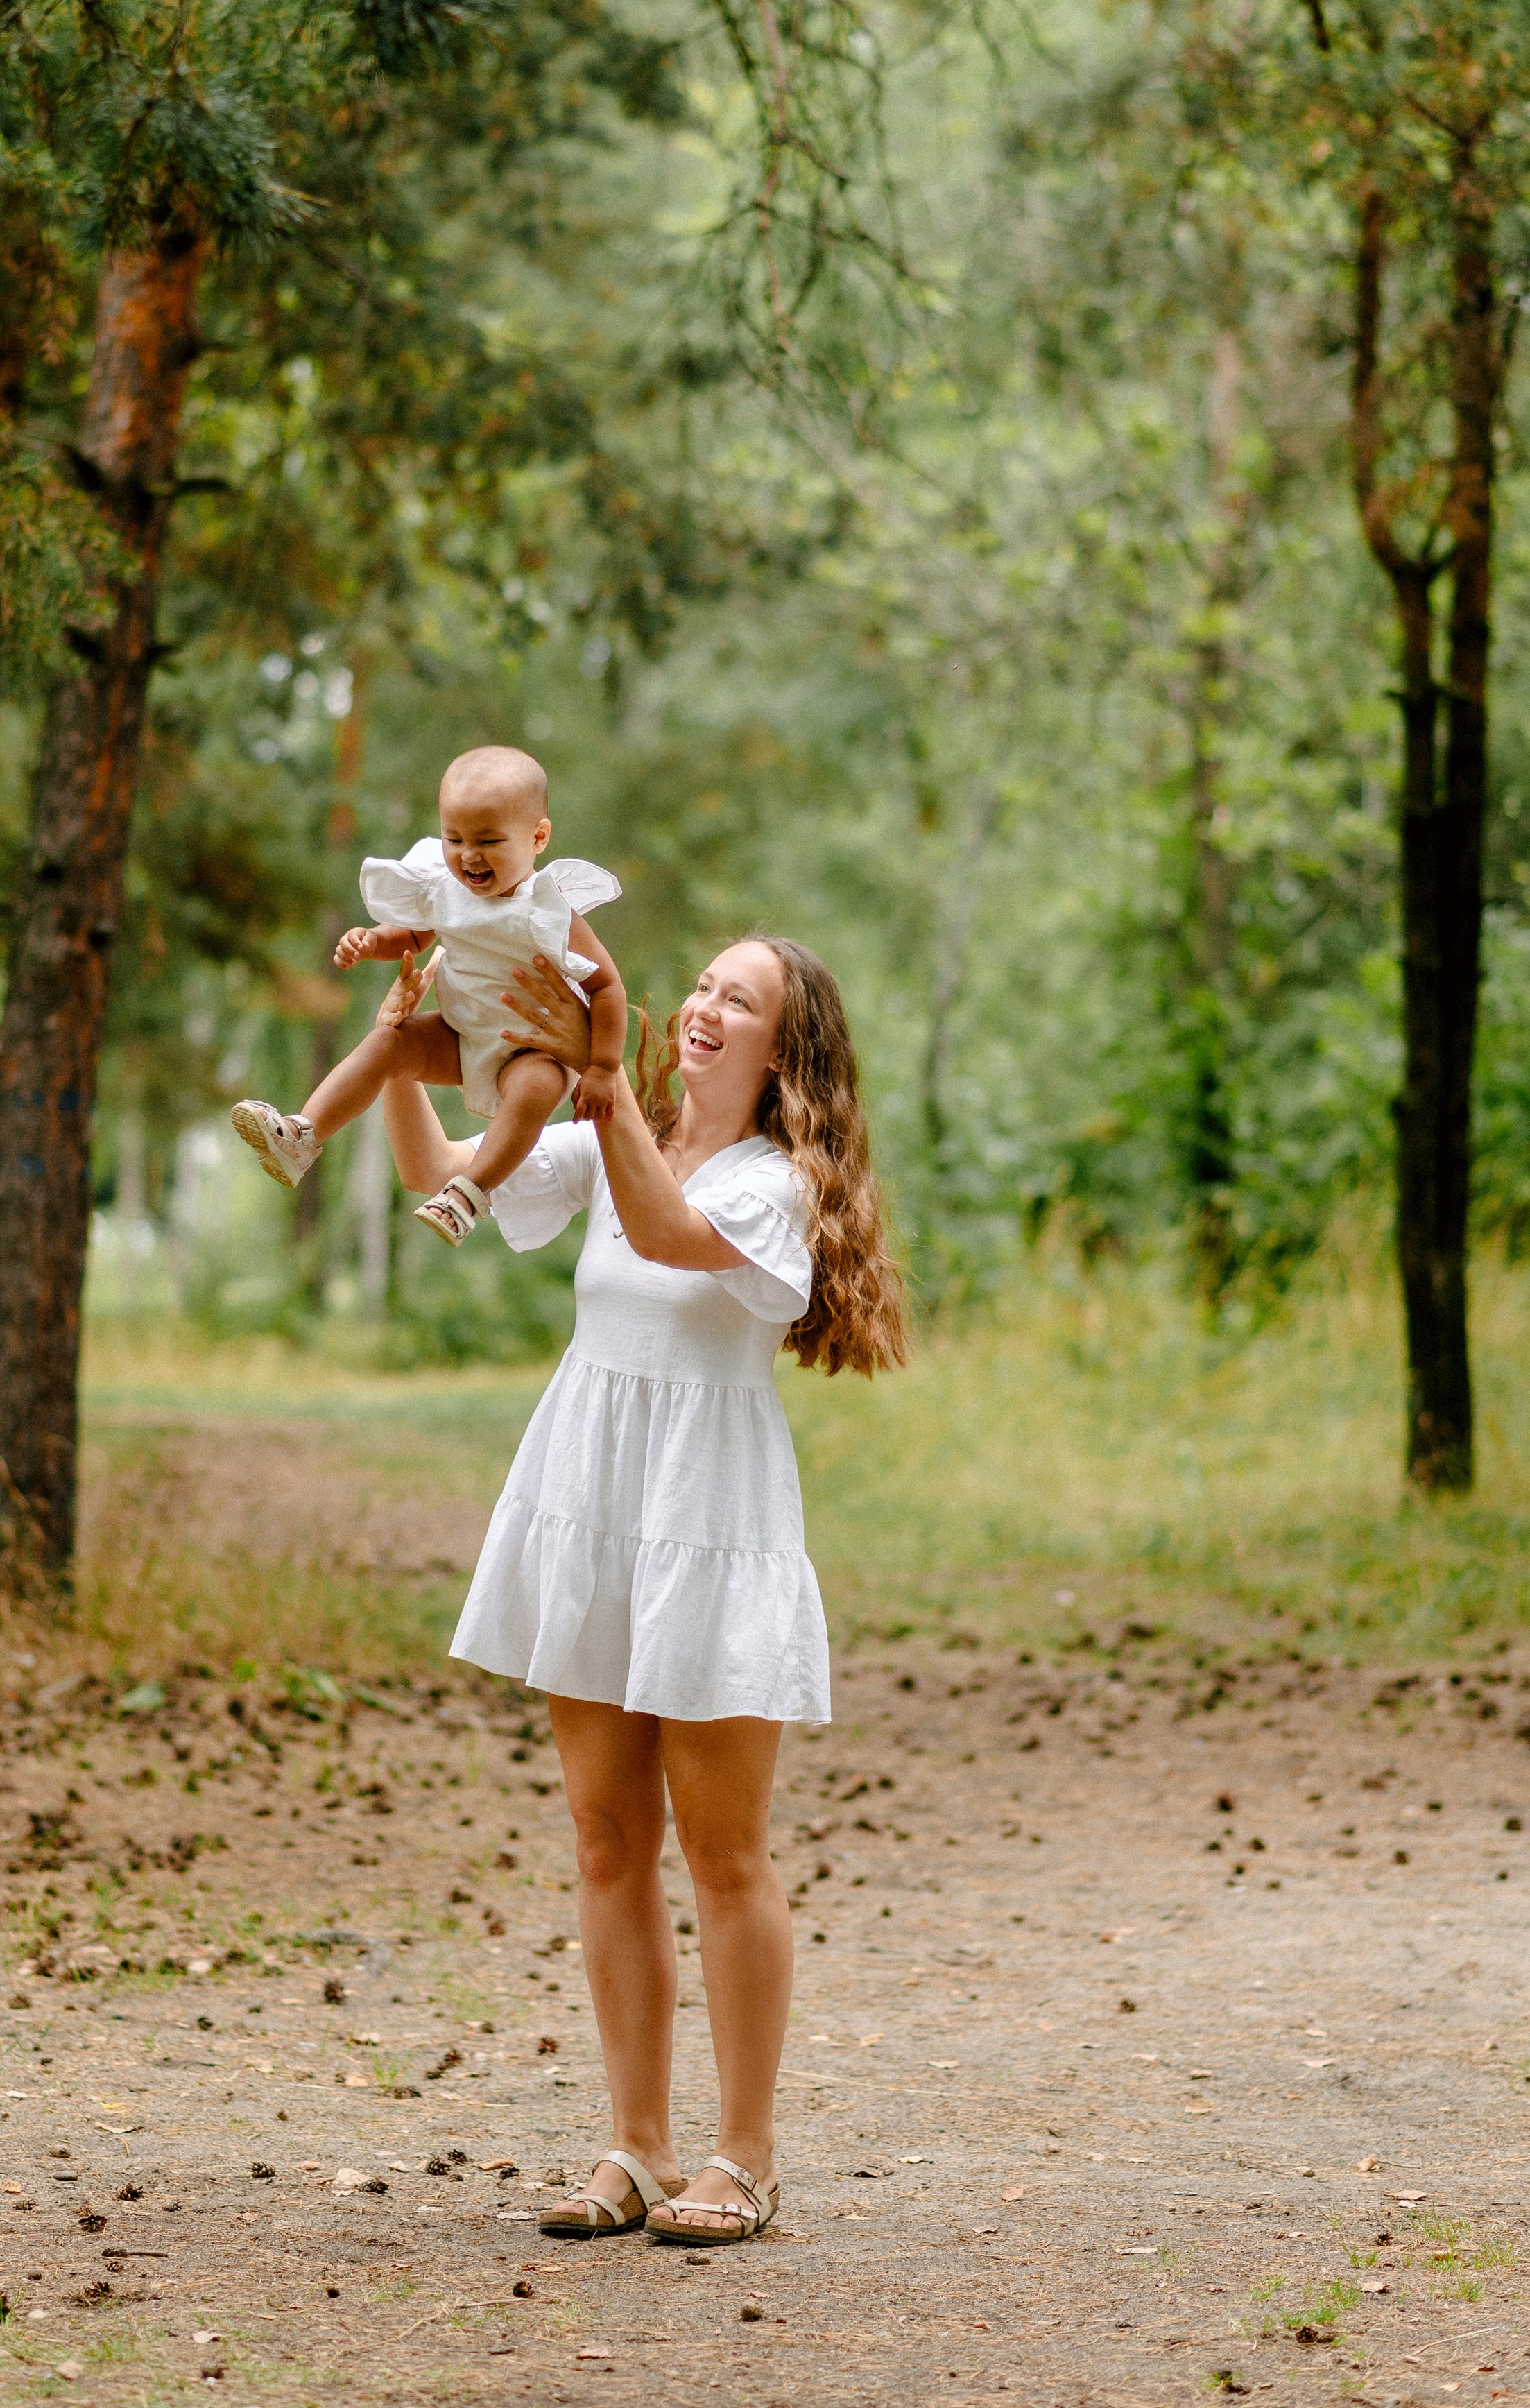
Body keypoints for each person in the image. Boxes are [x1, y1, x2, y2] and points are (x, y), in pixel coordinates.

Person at [379, 933, 906, 2246]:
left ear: (785, 1048)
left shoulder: (773, 1181)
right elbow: (443, 1174)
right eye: (707, 986)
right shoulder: (620, 1136)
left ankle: (745, 2155)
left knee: (725, 1852)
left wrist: (602, 1085)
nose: (710, 1008)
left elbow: (677, 1241)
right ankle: (638, 2143)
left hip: (709, 1519)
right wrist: (398, 1049)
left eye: (746, 998)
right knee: (606, 1837)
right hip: (595, 1505)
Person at [230, 745, 626, 1246]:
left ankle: (468, 1193)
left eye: (489, 840)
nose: (468, 855)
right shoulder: (442, 888)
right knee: (387, 1042)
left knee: (537, 1089)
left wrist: (604, 1068)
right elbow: (414, 936)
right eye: (453, 837)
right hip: (459, 1033)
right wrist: (373, 941)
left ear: (538, 837)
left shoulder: (547, 910)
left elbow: (606, 987)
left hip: (532, 1048)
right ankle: (303, 1134)